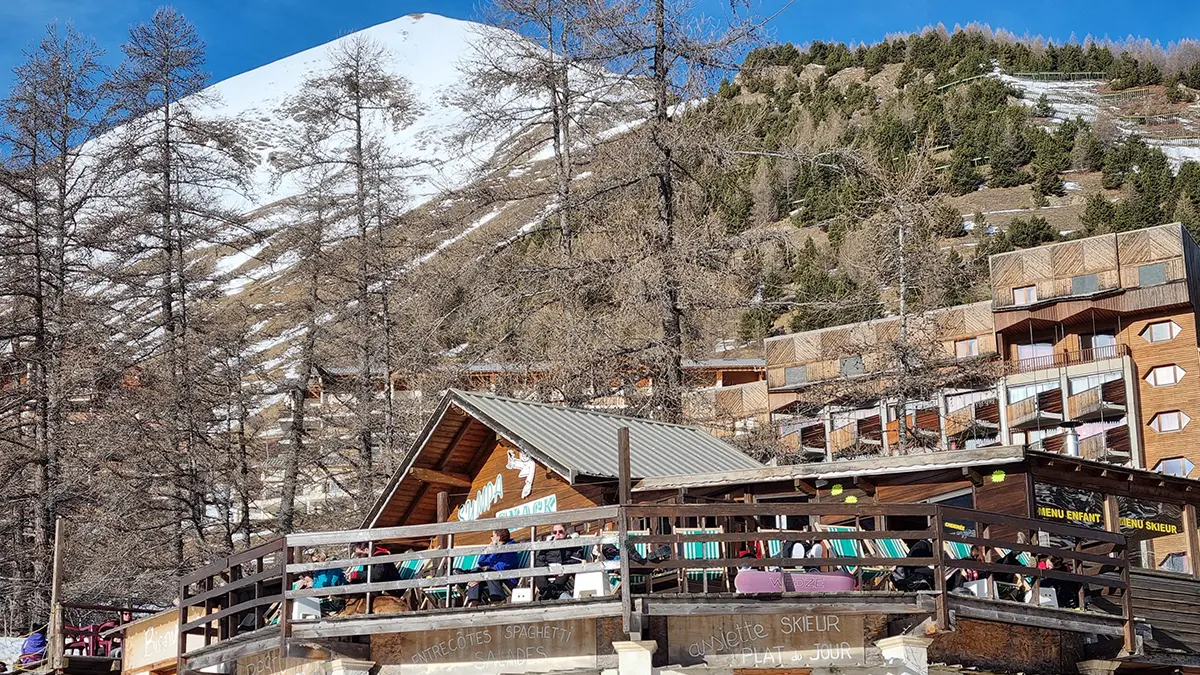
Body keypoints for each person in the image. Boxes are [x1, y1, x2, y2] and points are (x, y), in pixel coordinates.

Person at [466, 529, 520, 605]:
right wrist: (488, 549)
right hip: (490, 578)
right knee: (476, 571)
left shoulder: (510, 549)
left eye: (492, 536)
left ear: (498, 538)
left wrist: (481, 578)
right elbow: (481, 562)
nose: (491, 538)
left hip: (506, 579)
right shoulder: (495, 549)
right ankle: (474, 600)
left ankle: (497, 599)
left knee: (490, 572)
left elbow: (501, 567)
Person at [535, 524, 584, 600]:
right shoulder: (547, 544)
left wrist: (563, 566)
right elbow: (539, 559)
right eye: (555, 532)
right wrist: (545, 567)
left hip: (564, 569)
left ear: (566, 532)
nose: (557, 534)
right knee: (537, 570)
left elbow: (577, 558)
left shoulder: (572, 543)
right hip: (549, 569)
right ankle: (547, 591)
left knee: (566, 569)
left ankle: (550, 593)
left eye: (560, 532)